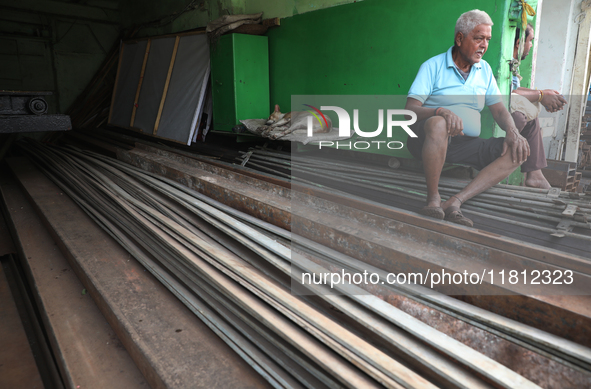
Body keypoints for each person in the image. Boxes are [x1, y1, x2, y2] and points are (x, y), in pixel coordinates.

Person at [405, 9, 539, 227]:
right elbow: (410, 111)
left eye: (487, 39)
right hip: (428, 140)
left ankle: (456, 201)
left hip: (465, 144)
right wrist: (441, 112)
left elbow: (499, 110)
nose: (484, 45)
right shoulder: (433, 66)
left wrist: (513, 132)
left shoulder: (484, 70)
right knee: (439, 124)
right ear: (460, 38)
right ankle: (433, 199)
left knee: (519, 149)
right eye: (478, 38)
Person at [510, 23, 567, 188]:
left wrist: (542, 94)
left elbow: (513, 89)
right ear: (519, 42)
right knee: (522, 116)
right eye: (530, 40)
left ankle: (535, 175)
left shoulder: (512, 64)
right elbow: (506, 94)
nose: (531, 45)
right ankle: (533, 175)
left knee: (531, 116)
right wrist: (541, 95)